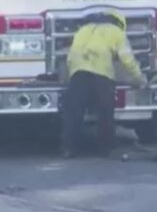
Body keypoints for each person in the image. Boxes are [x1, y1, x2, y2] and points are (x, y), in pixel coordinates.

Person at [60, 9, 147, 158]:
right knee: (105, 112)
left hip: (77, 72)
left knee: (74, 112)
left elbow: (70, 56)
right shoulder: (117, 32)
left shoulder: (83, 30)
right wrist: (140, 79)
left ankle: (70, 148)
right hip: (101, 74)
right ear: (120, 24)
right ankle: (105, 148)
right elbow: (127, 59)